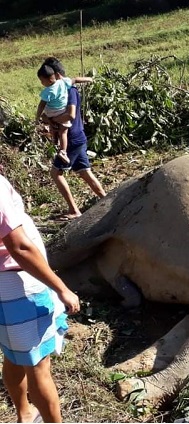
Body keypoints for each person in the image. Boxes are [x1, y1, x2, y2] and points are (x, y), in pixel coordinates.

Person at [0, 170, 81, 423]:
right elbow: (20, 247)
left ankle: (25, 414)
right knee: (38, 365)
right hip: (17, 289)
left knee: (13, 355)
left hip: (5, 293)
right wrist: (62, 288)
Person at [41, 57, 106, 220]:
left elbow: (70, 114)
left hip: (72, 139)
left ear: (56, 75)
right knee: (85, 172)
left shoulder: (69, 91)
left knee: (56, 173)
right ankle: (107, 200)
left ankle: (74, 210)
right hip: (78, 137)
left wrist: (52, 120)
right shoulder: (62, 90)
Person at [35, 65, 93, 165]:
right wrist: (89, 79)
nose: (42, 83)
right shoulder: (63, 82)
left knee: (55, 129)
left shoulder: (48, 91)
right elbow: (75, 79)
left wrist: (37, 117)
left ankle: (57, 146)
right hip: (62, 112)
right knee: (63, 132)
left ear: (48, 80)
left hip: (50, 112)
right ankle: (62, 150)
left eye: (42, 81)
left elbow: (41, 105)